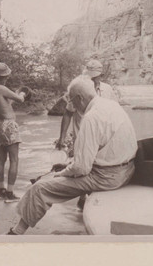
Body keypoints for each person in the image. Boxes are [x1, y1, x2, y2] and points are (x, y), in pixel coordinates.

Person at [7, 76, 137, 235]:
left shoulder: (90, 118)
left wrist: (61, 173)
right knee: (67, 168)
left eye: (72, 101)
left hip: (107, 178)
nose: (72, 106)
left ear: (80, 98)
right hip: (128, 170)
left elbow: (82, 168)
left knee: (40, 188)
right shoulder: (112, 105)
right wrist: (70, 165)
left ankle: (16, 233)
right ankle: (81, 205)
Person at [56, 59, 118, 210]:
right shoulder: (78, 89)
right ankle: (83, 199)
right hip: (82, 135)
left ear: (100, 76)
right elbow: (68, 114)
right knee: (83, 166)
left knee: (98, 167)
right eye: (88, 75)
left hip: (102, 138)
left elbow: (115, 111)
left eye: (93, 76)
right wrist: (62, 138)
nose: (90, 79)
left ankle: (91, 201)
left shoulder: (108, 90)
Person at [0, 62, 27, 203]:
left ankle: (1, 191)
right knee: (14, 160)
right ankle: (10, 193)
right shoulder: (1, 88)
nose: (7, 78)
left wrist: (13, 95)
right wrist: (22, 92)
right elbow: (20, 99)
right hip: (9, 125)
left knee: (1, 159)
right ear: (4, 76)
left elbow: (5, 106)